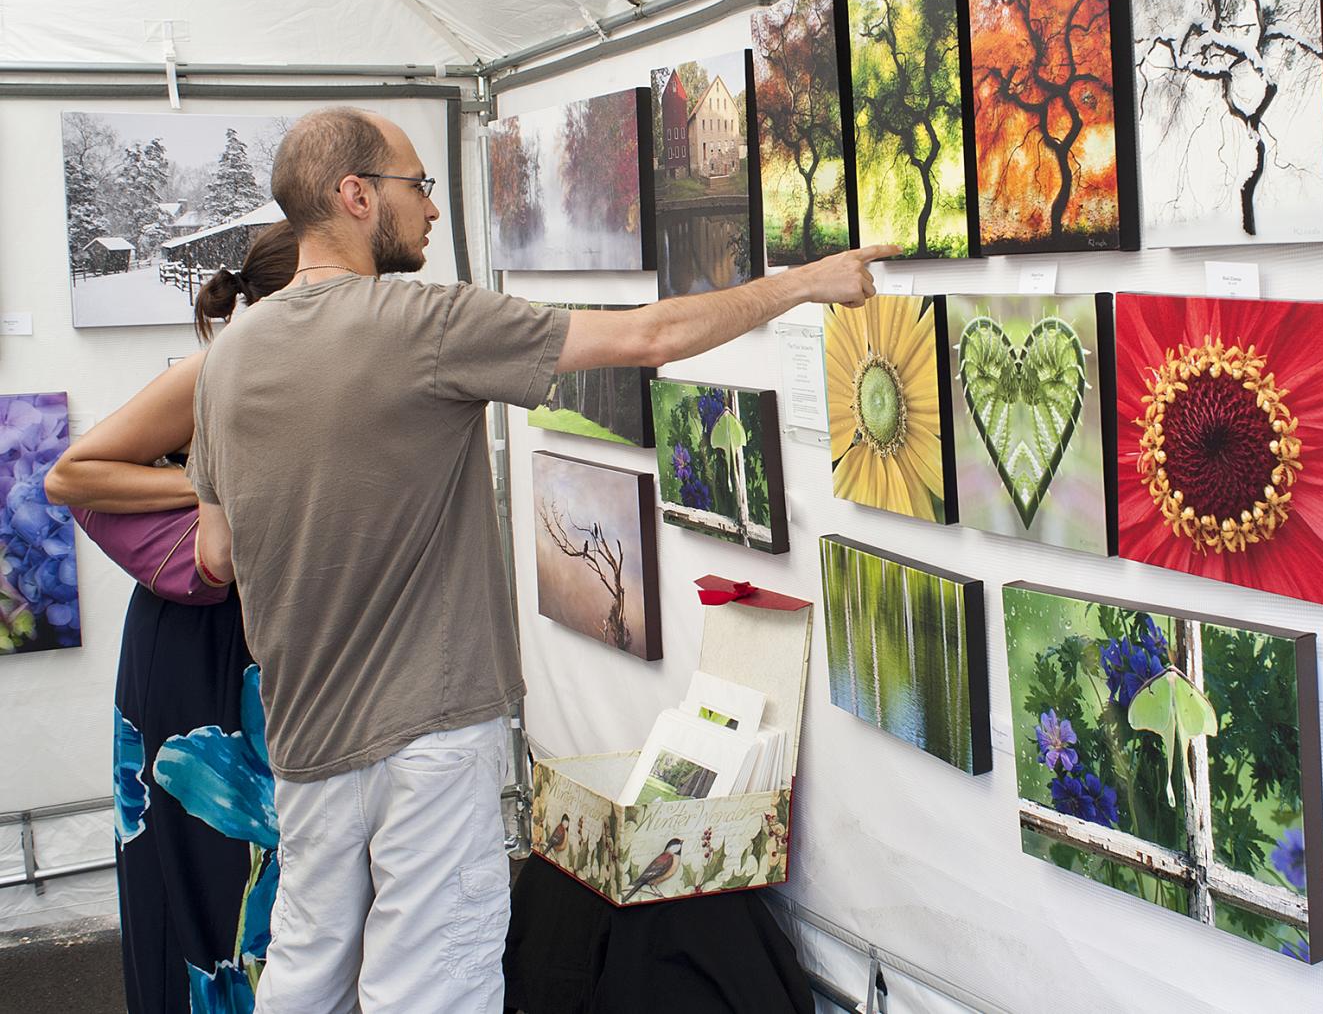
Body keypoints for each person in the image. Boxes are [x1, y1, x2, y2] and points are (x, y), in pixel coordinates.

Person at [185, 106, 892, 1013]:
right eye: (418, 187)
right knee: (430, 989)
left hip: (306, 736)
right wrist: (805, 282)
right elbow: (648, 339)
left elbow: (216, 553)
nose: (435, 212)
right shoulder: (419, 323)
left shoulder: (228, 358)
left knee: (304, 975)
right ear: (355, 197)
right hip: (430, 733)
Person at [45, 221, 299, 1014]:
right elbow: (71, 475)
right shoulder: (215, 372)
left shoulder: (323, 374)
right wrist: (208, 487)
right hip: (200, 646)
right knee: (204, 872)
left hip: (268, 636)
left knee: (274, 882)